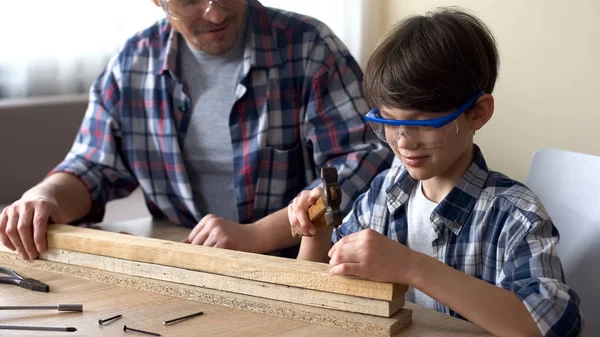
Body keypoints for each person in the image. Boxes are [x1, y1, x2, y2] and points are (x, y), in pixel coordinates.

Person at [0, 0, 393, 261]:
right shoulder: (132, 64)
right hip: (186, 261)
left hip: (295, 260)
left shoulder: (309, 47)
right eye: (189, 0)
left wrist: (257, 235)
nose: (215, 14)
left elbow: (365, 160)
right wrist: (44, 197)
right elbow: (93, 165)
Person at [288, 8, 583, 337]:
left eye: (421, 123)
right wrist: (317, 232)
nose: (403, 142)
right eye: (388, 121)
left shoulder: (513, 215)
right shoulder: (382, 197)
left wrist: (412, 266)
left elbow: (551, 326)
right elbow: (319, 300)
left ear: (478, 113)